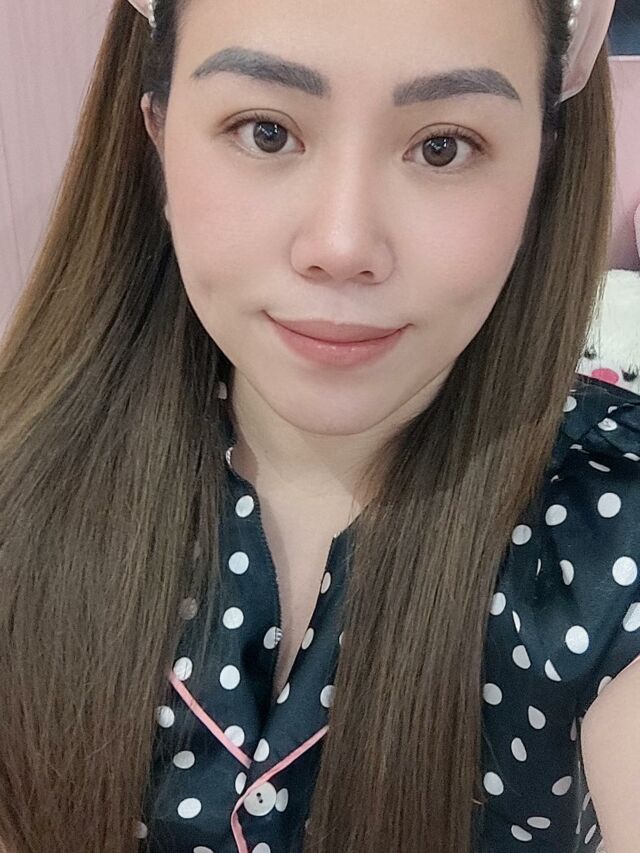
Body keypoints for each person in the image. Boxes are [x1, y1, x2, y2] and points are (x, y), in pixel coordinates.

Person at [0, 0, 637, 851]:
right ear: (157, 137)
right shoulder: (25, 487)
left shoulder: (609, 530)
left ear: (540, 168)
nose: (342, 245)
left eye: (443, 146)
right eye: (265, 132)